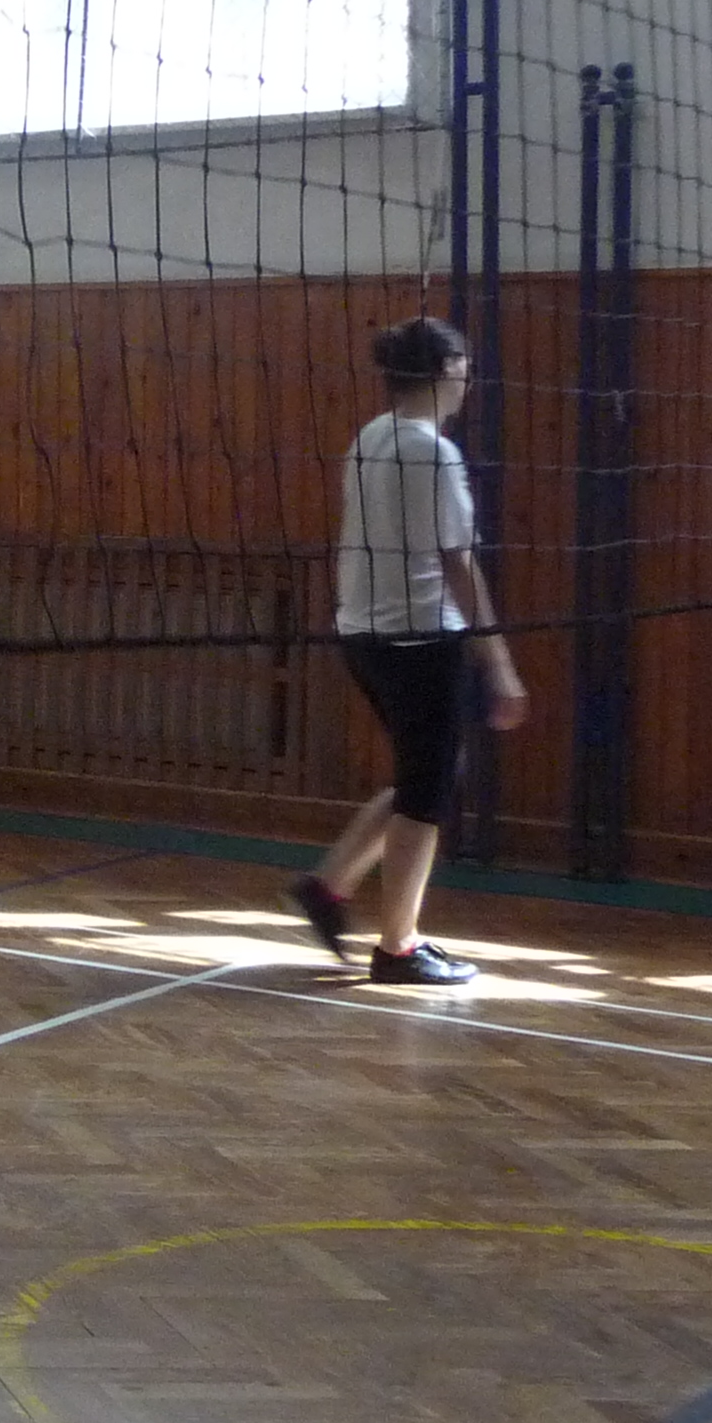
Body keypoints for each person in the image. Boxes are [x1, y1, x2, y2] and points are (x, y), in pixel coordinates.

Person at [294, 315, 527, 987]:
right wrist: (500, 665)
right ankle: (398, 947)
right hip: (420, 638)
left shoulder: (369, 438)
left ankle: (327, 886)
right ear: (447, 370)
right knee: (428, 791)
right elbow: (459, 563)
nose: (469, 381)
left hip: (363, 635)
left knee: (425, 774)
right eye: (465, 368)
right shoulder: (433, 452)